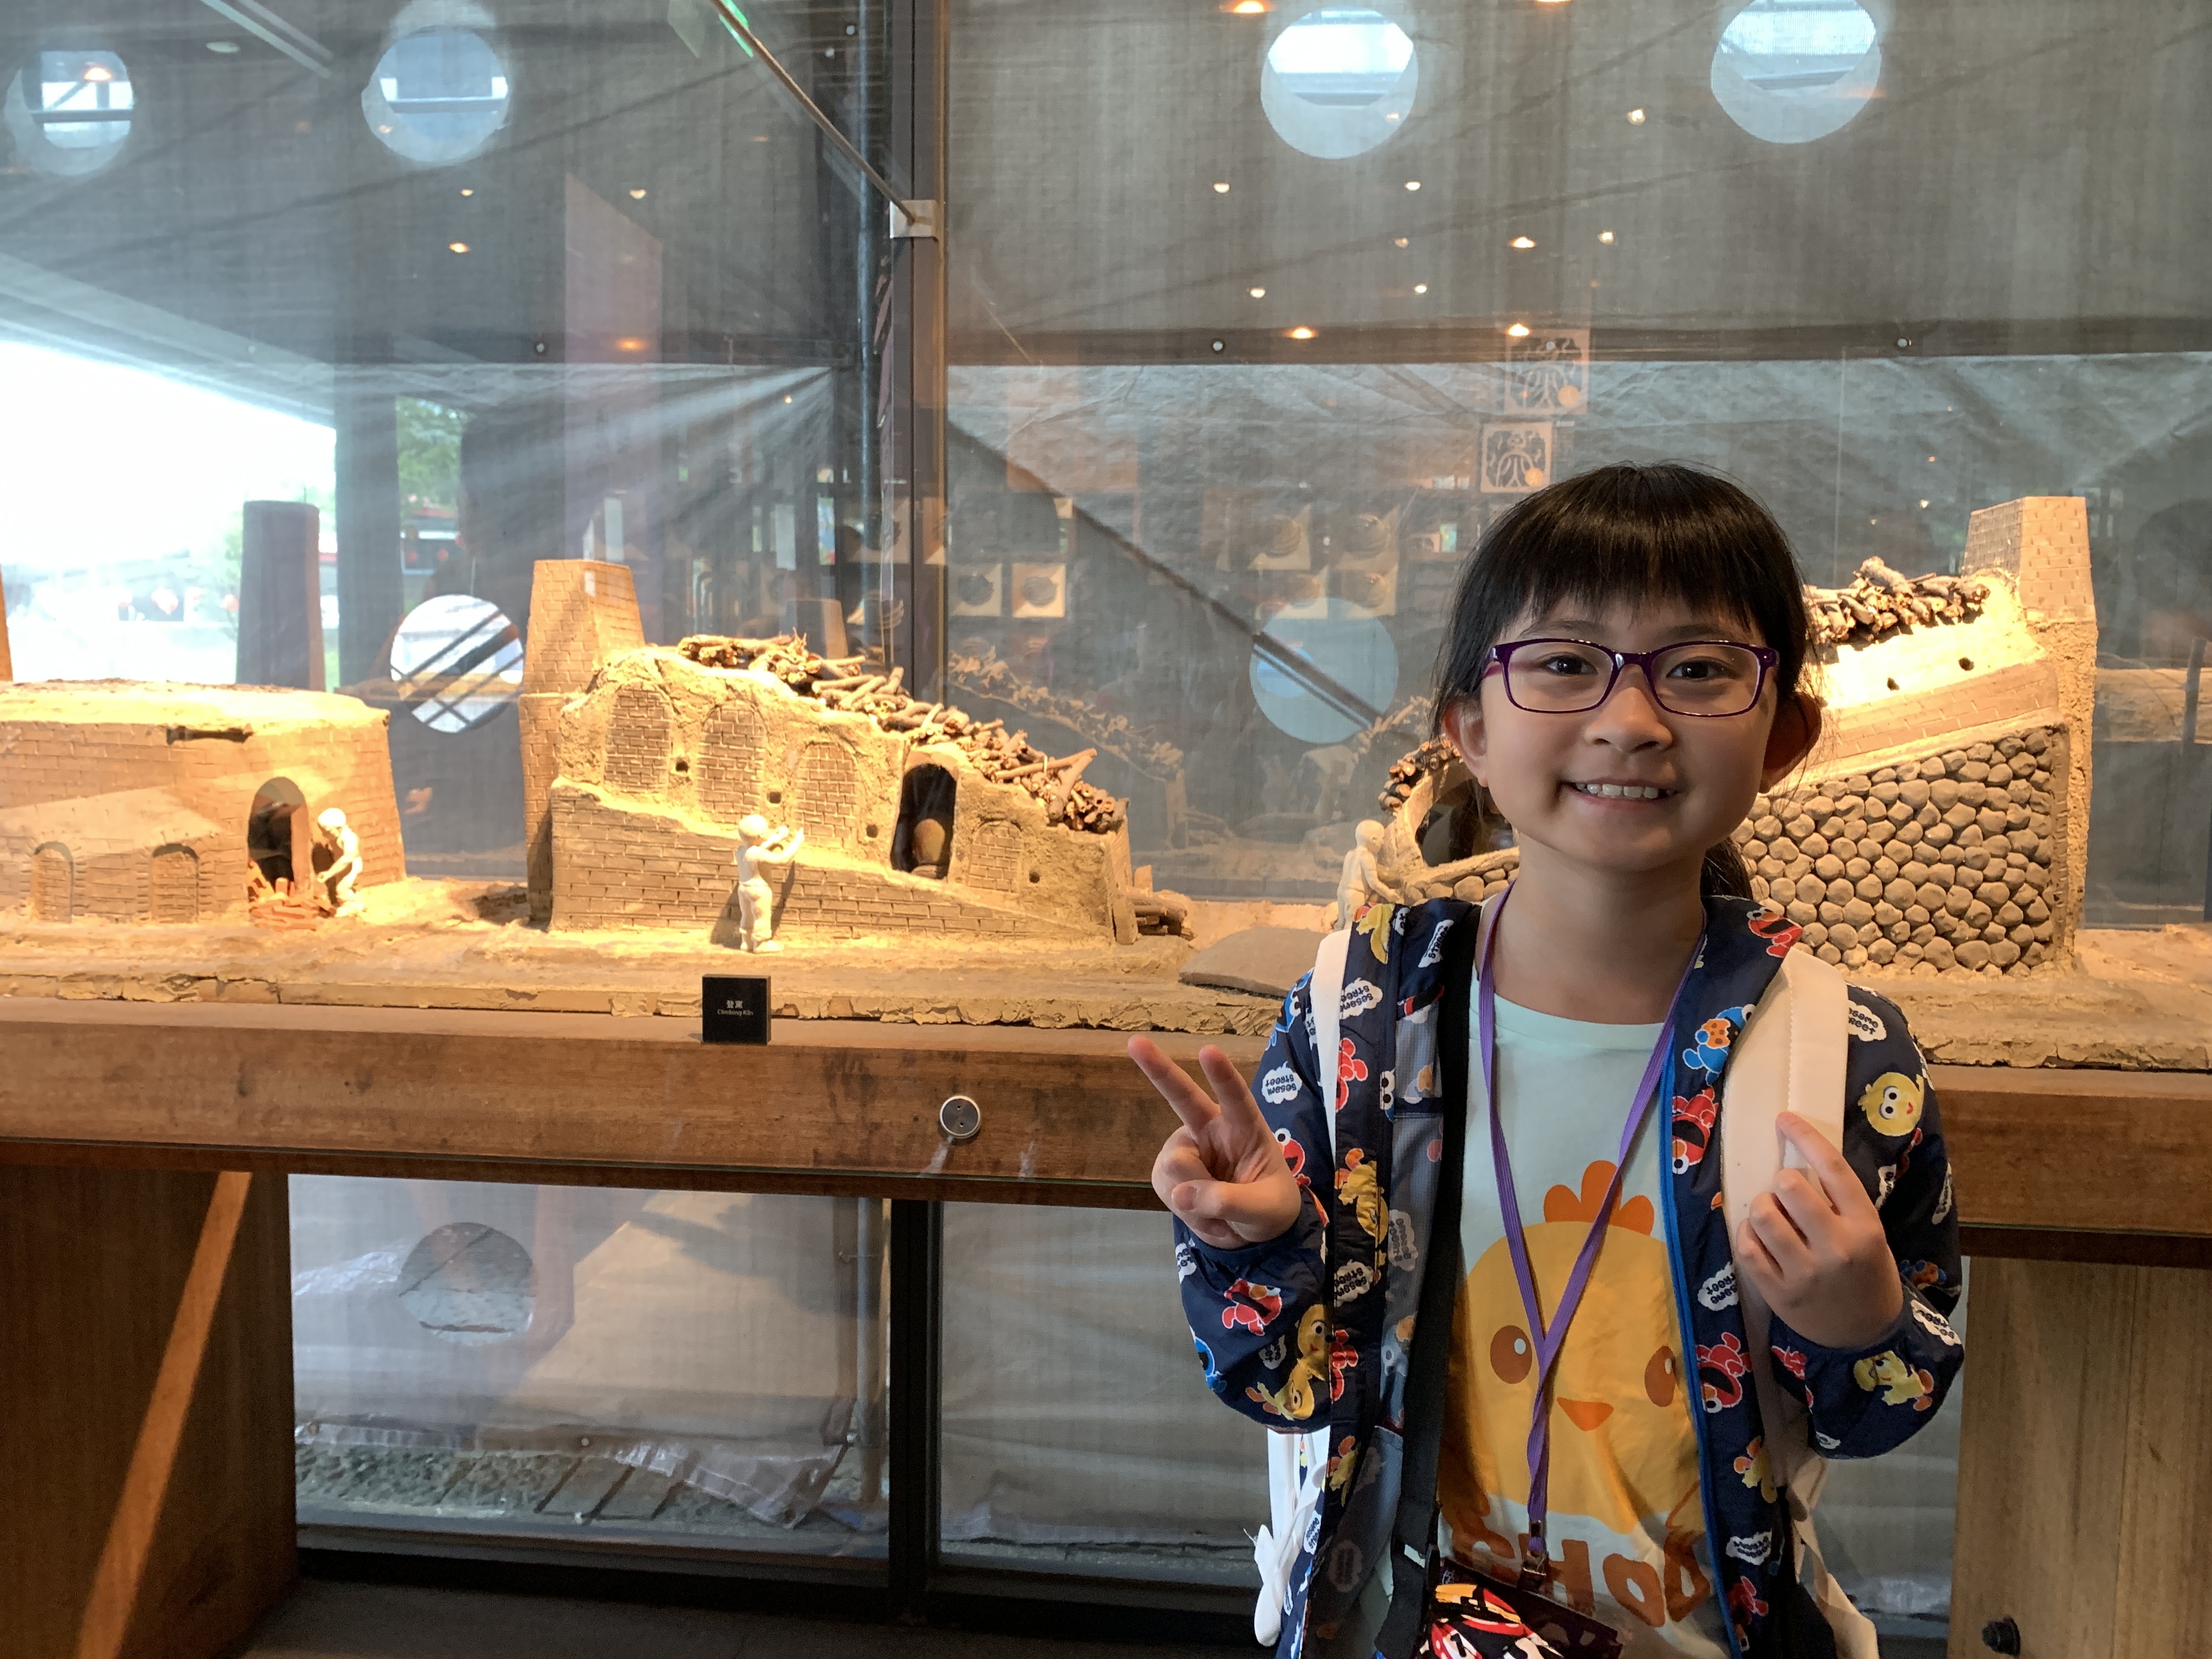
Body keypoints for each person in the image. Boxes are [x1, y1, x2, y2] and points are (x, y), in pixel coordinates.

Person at [1131, 465, 1962, 1659]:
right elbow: (1286, 1382)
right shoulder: (1359, 1017)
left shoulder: (1842, 1054)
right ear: (1468, 728)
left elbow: (1873, 1411)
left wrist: (1860, 1321)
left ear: (1784, 735)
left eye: (1698, 669)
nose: (1630, 719)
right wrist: (1254, 1240)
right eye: (1565, 662)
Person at [732, 814, 804, 951]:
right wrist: (798, 842)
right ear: (760, 836)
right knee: (761, 917)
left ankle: (746, 942)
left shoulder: (741, 850)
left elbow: (757, 848)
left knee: (747, 916)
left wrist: (777, 838)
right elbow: (783, 859)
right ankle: (761, 944)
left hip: (744, 889)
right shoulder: (760, 855)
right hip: (760, 890)